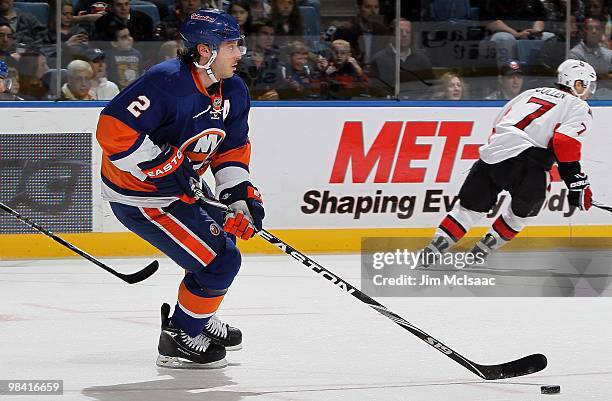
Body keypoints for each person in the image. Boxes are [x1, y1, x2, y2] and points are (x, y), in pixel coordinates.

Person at [95, 9, 264, 368]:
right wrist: (163, 166)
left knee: (221, 245)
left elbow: (231, 146)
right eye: (232, 46)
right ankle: (178, 336)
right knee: (221, 261)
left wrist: (239, 194)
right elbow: (113, 131)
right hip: (141, 196)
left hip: (181, 185)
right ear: (206, 51)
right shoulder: (167, 81)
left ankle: (197, 319)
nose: (240, 54)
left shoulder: (233, 88)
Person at [420, 59, 598, 265]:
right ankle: (482, 249)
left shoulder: (530, 93)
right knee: (522, 214)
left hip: (494, 154)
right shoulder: (579, 106)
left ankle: (433, 250)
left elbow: (500, 121)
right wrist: (576, 182)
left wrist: (495, 152)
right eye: (588, 85)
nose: (589, 92)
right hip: (529, 164)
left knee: (468, 210)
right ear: (577, 84)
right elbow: (564, 142)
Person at [369, 18, 434, 99]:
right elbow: (374, 90)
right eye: (400, 31)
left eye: (408, 32)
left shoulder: (422, 59)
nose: (404, 34)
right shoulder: (378, 59)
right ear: (391, 35)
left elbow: (431, 88)